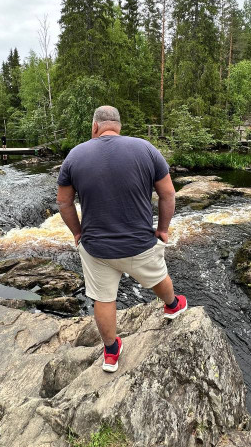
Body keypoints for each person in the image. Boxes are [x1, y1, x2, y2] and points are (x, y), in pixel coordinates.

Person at [57, 105, 187, 374]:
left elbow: (64, 202)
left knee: (104, 299)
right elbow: (168, 195)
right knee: (158, 277)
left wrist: (78, 233)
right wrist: (163, 229)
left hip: (96, 248)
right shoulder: (146, 149)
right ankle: (173, 306)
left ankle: (111, 352)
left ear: (95, 127)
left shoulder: (74, 156)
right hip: (140, 242)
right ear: (118, 126)